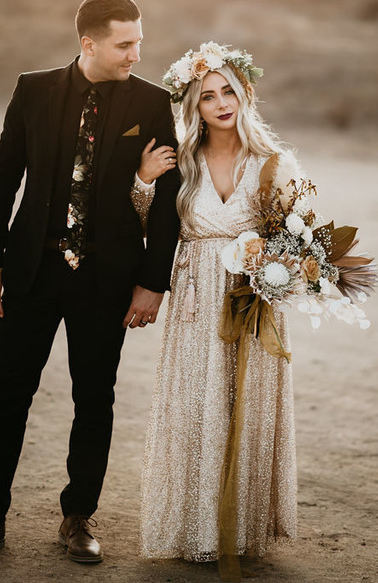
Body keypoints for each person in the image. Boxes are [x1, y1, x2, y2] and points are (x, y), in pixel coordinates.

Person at [0, 0, 180, 563]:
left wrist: (152, 281)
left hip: (107, 279)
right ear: (88, 43)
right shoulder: (33, 90)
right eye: (125, 44)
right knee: (8, 393)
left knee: (95, 399)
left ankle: (78, 519)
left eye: (139, 42)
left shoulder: (153, 103)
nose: (136, 54)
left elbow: (165, 201)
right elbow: (3, 174)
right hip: (33, 270)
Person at [133, 42, 299, 570]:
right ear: (195, 107)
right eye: (208, 96)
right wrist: (143, 182)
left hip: (252, 297)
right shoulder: (180, 161)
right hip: (196, 298)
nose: (221, 102)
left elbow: (294, 238)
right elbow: (149, 226)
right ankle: (196, 526)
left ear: (245, 94)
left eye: (229, 91)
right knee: (197, 407)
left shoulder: (274, 162)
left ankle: (242, 528)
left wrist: (278, 270)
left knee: (246, 405)